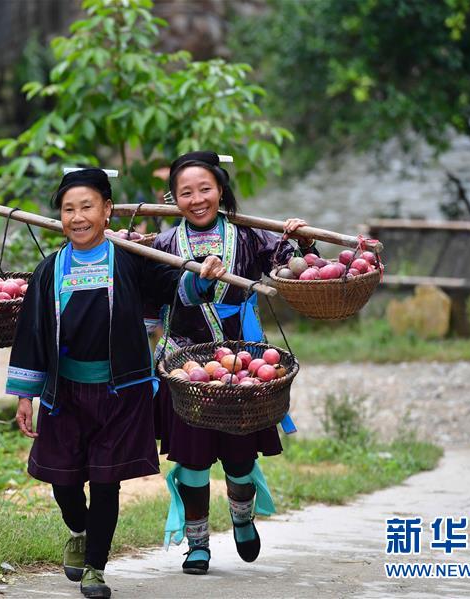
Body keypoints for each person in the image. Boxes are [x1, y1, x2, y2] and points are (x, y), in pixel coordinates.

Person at [6, 167, 227, 598]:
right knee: (65, 482)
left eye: (87, 206)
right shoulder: (50, 270)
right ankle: (80, 530)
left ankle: (95, 568)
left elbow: (174, 285)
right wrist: (25, 396)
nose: (78, 217)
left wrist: (202, 275)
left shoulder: (128, 259)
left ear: (107, 210)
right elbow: (32, 332)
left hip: (120, 392)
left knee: (106, 481)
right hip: (64, 394)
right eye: (69, 209)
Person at [151, 151, 318, 575]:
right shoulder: (165, 244)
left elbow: (288, 267)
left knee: (240, 457)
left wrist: (300, 242)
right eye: (185, 192)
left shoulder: (249, 237)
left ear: (220, 190)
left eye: (205, 188)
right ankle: (198, 544)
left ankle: (242, 518)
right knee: (191, 460)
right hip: (186, 369)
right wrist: (193, 279)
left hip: (242, 366)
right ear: (173, 198)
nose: (197, 199)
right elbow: (161, 290)